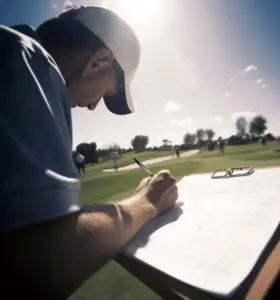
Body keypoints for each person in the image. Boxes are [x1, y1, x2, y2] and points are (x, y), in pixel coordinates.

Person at [0, 6, 178, 300]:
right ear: (99, 61)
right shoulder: (25, 58)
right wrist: (148, 201)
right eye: (108, 93)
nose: (94, 106)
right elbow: (45, 257)